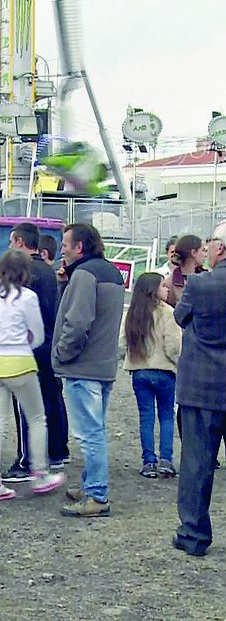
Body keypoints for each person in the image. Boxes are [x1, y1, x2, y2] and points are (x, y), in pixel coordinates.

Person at [0, 250, 66, 501]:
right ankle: (39, 473)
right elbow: (37, 334)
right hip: (20, 361)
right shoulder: (27, 296)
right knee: (37, 418)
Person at [53, 223, 124, 518]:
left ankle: (96, 494)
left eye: (66, 244)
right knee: (97, 430)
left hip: (83, 367)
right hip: (104, 364)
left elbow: (78, 321)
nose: (62, 249)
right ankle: (90, 485)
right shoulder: (111, 272)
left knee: (89, 433)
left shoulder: (84, 275)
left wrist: (61, 353)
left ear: (79, 247)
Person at [172, 221, 226, 557]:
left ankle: (193, 535)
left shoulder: (200, 285)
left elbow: (180, 317)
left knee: (196, 465)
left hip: (201, 389)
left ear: (220, 248)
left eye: (210, 242)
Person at [4, 223, 69, 482]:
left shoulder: (21, 271)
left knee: (24, 407)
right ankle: (53, 452)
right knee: (46, 401)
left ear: (20, 242)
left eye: (11, 242)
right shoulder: (48, 270)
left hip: (25, 346)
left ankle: (26, 460)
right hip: (47, 344)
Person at [119, 272, 180, 479]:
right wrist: (178, 364)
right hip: (164, 371)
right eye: (164, 286)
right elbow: (173, 346)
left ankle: (148, 461)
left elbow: (121, 342)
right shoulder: (168, 313)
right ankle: (166, 460)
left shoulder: (134, 313)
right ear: (154, 290)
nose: (168, 289)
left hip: (140, 371)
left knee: (146, 417)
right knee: (166, 416)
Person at [164, 234, 207, 307]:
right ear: (193, 253)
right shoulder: (170, 284)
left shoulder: (207, 277)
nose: (205, 255)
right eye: (203, 250)